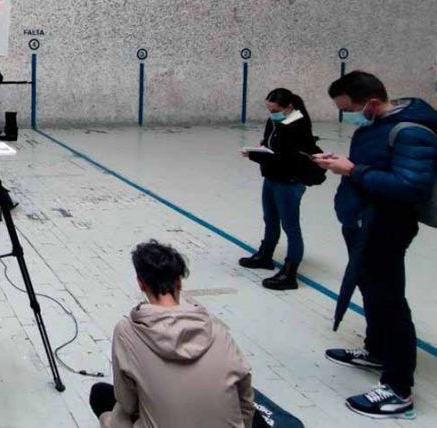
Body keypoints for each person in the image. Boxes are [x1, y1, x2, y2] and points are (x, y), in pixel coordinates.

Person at [313, 71, 437, 419]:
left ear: (370, 103)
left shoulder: (411, 132)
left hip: (387, 227)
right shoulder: (379, 125)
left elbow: (411, 186)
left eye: (350, 110)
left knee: (389, 300)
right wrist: (343, 165)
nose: (348, 116)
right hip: (365, 224)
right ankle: (377, 350)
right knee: (369, 289)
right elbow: (375, 165)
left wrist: (352, 170)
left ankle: (398, 388)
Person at [90, 240, 255, 428]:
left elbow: (128, 403)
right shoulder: (217, 331)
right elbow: (245, 400)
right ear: (179, 282)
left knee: (101, 395)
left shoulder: (126, 332)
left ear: (141, 284)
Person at [239, 89, 323, 290]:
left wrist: (254, 155)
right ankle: (265, 254)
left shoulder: (297, 124)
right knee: (270, 219)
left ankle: (290, 271)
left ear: (289, 107)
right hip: (272, 177)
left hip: (289, 181)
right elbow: (272, 144)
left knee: (290, 226)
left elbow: (284, 157)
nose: (272, 114)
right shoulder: (276, 121)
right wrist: (263, 146)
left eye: (275, 110)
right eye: (269, 110)